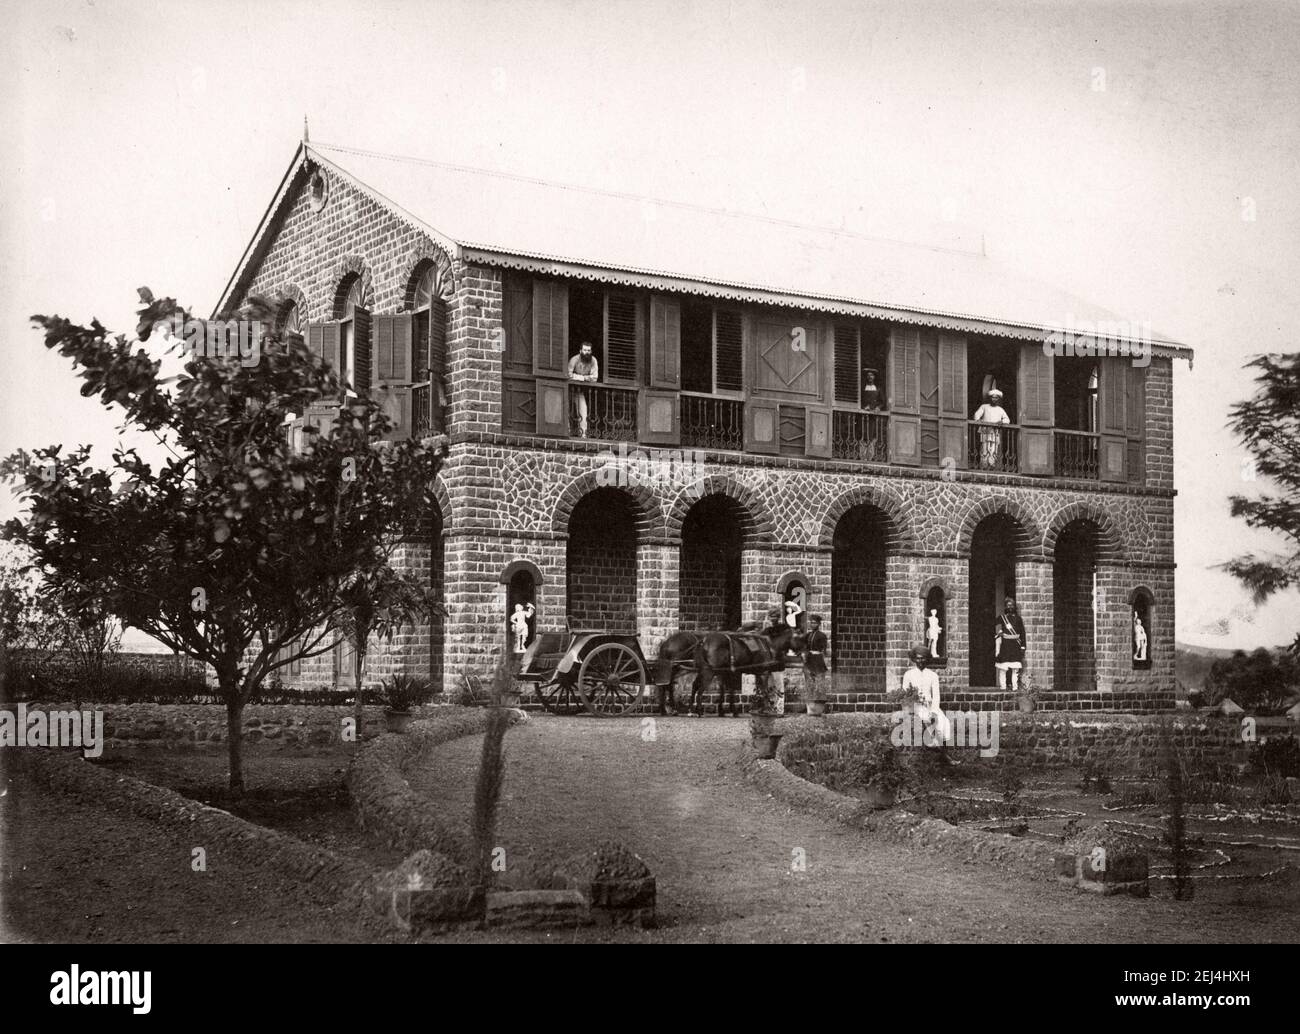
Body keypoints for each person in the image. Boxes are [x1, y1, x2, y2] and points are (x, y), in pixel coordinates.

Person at [902, 644, 951, 751]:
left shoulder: (933, 675)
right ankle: (940, 751)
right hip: (915, 705)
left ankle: (943, 751)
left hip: (929, 705)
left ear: (927, 659)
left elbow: (936, 696)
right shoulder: (908, 674)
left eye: (923, 658)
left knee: (944, 721)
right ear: (914, 659)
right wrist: (911, 704)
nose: (920, 661)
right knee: (926, 718)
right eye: (918, 658)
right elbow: (905, 694)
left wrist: (934, 710)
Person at [995, 596, 1026, 693]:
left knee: (1015, 669)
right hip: (1005, 646)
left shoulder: (1018, 619)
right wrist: (998, 632)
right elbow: (993, 625)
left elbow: (1022, 633)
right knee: (1003, 668)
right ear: (1005, 607)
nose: (1010, 607)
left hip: (1015, 646)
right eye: (1008, 605)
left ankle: (1015, 687)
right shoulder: (1002, 618)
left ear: (1014, 607)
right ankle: (1003, 687)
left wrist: (1023, 646)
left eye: (1012, 605)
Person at [973, 388, 1010, 469]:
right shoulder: (984, 407)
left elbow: (1007, 419)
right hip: (985, 431)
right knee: (984, 448)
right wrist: (979, 420)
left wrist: (1001, 421)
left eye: (996, 398)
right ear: (990, 398)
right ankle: (984, 465)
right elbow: (976, 415)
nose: (994, 399)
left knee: (994, 449)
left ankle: (992, 465)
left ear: (998, 399)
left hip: (995, 432)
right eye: (993, 397)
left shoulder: (1000, 409)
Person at [568, 341, 599, 437]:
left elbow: (594, 378)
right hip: (568, 390)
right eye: (585, 350)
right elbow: (568, 375)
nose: (587, 352)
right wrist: (584, 378)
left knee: (583, 411)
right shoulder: (574, 359)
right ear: (580, 350)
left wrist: (577, 377)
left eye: (589, 350)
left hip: (579, 391)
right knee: (566, 411)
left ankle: (583, 435)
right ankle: (567, 432)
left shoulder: (593, 360)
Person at [803, 614, 829, 706]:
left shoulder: (822, 635)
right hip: (809, 660)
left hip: (817, 660)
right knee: (809, 681)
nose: (812, 625)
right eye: (811, 623)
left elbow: (824, 649)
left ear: (818, 624)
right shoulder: (808, 635)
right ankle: (810, 704)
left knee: (819, 681)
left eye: (814, 623)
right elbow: (805, 646)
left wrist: (818, 653)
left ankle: (820, 705)